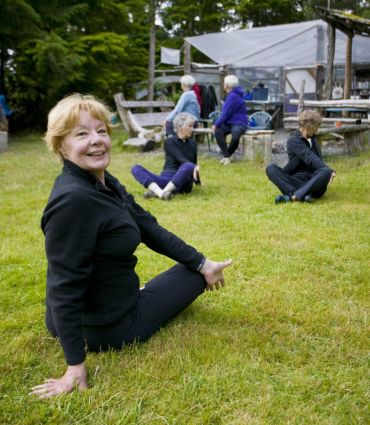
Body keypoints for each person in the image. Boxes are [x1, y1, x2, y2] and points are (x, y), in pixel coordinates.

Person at [30, 94, 232, 399]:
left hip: (98, 308)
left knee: (194, 268)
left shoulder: (102, 180)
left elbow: (147, 227)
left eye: (100, 131)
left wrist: (203, 262)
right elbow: (63, 286)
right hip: (108, 325)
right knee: (191, 277)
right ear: (61, 146)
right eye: (82, 134)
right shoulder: (73, 201)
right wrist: (74, 366)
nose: (96, 140)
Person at [265, 110, 336, 203]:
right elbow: (310, 157)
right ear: (310, 126)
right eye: (317, 127)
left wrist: (329, 171)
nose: (317, 129)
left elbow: (319, 161)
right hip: (295, 181)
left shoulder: (313, 139)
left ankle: (293, 197)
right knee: (271, 168)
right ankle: (298, 195)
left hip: (313, 181)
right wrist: (330, 170)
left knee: (325, 172)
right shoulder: (293, 140)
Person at [132, 112, 200, 201]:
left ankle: (158, 193)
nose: (192, 129)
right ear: (180, 127)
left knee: (188, 166)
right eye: (189, 126)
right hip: (165, 179)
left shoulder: (193, 144)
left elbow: (194, 165)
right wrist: (193, 166)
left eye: (192, 126)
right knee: (135, 168)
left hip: (183, 182)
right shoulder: (169, 141)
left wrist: (198, 182)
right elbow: (180, 158)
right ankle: (162, 193)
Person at [211, 75, 248, 165]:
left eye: (224, 83)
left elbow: (226, 114)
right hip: (230, 122)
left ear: (227, 85)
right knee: (218, 132)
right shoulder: (232, 94)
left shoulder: (233, 96)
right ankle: (227, 156)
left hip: (239, 122)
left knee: (235, 136)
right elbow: (226, 114)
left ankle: (227, 156)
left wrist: (215, 124)